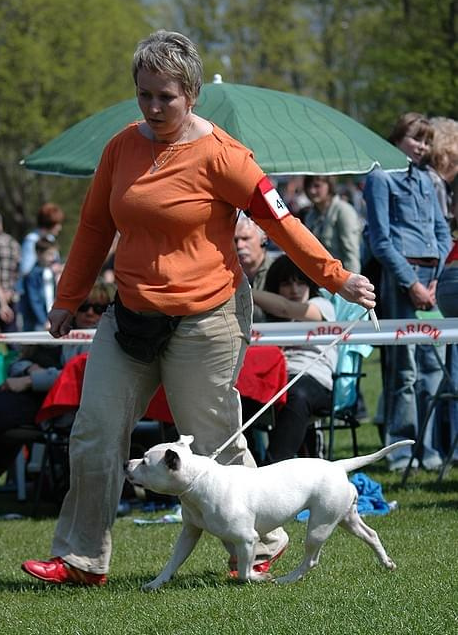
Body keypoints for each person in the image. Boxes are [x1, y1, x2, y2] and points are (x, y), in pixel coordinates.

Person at [21, 30, 375, 587]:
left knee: (211, 442)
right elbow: (93, 228)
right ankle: (82, 559)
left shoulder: (226, 155)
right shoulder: (118, 148)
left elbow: (281, 221)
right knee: (93, 433)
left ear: (191, 93)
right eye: (144, 95)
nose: (154, 107)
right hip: (130, 316)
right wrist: (68, 299)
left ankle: (263, 538)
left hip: (207, 316)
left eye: (166, 96)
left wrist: (338, 277)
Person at [0, 275, 112, 521]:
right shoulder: (58, 335)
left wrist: (32, 380)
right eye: (83, 306)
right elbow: (16, 365)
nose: (90, 314)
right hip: (29, 403)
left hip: (56, 411)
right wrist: (30, 371)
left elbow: (80, 377)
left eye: (99, 308)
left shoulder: (105, 341)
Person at [363, 112, 451, 472]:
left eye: (427, 140)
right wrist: (411, 283)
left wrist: (435, 279)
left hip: (433, 278)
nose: (422, 147)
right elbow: (380, 240)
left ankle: (429, 448)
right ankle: (401, 450)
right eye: (417, 138)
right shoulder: (380, 177)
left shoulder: (430, 180)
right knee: (405, 370)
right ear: (398, 138)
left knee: (434, 366)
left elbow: (443, 233)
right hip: (403, 276)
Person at [252, 255, 337, 460]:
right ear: (276, 288)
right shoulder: (268, 320)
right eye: (286, 283)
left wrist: (241, 288)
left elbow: (285, 308)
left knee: (295, 395)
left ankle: (273, 467)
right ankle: (246, 462)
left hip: (313, 381)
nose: (295, 290)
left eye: (301, 282)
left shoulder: (321, 306)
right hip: (274, 381)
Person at [431, 117, 458, 462]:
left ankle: (448, 445)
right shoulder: (436, 185)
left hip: (444, 273)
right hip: (447, 272)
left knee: (447, 369)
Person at [302, 175, 362, 273]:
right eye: (308, 186)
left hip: (340, 278)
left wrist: (352, 282)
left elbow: (351, 253)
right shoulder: (310, 215)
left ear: (329, 186)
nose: (312, 191)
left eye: (317, 186)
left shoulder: (343, 210)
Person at [234, 215, 273, 322]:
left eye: (246, 238)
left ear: (264, 238)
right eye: (235, 240)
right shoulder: (225, 275)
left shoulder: (280, 271)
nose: (240, 245)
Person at [20, 238, 58, 331]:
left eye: (54, 255)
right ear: (39, 253)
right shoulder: (32, 275)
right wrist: (43, 320)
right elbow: (34, 300)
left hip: (51, 319)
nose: (52, 258)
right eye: (49, 254)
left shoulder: (51, 272)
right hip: (36, 323)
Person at [20, 202, 64, 276]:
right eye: (57, 224)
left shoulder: (51, 239)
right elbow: (25, 270)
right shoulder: (31, 240)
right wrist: (51, 270)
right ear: (49, 223)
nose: (60, 228)